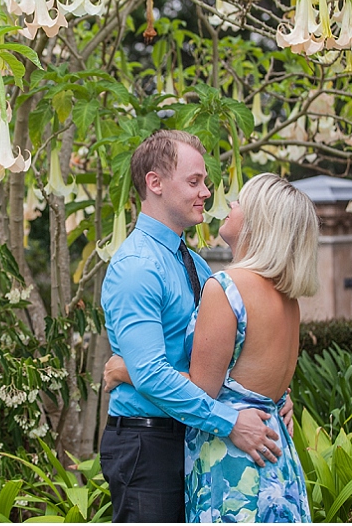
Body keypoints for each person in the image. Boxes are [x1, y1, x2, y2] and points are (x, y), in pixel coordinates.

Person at [105, 172, 319, 522]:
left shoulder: (226, 287)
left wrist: (127, 370)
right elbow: (261, 377)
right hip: (274, 454)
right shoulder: (287, 298)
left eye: (240, 201)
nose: (228, 204)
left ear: (258, 221)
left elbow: (205, 389)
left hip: (234, 461)